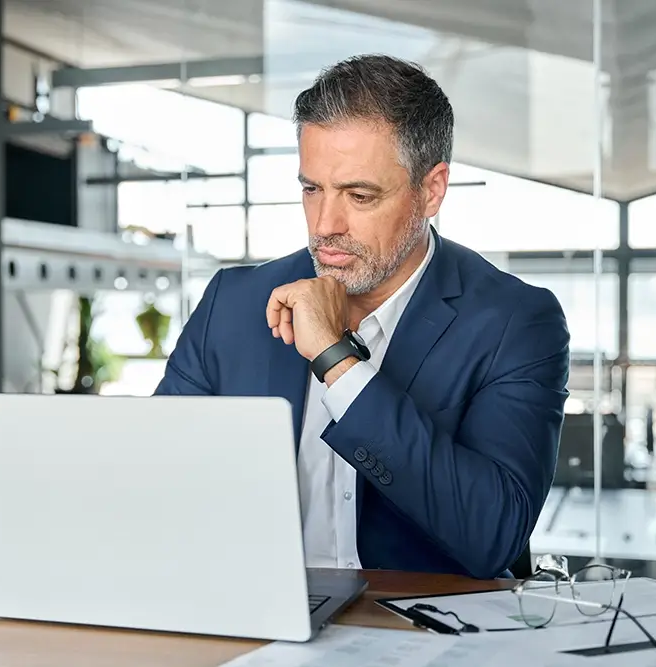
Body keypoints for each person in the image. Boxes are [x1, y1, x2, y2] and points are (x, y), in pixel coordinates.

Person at [154, 54, 569, 579]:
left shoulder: (516, 321)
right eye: (312, 189)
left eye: (359, 195)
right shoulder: (231, 302)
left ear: (431, 190)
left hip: (425, 637)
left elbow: (492, 535)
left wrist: (336, 359)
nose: (326, 224)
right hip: (256, 618)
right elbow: (157, 482)